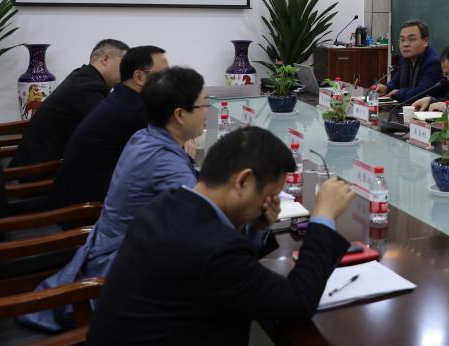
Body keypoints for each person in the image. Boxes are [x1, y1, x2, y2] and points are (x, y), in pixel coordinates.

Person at [86, 128, 354, 345]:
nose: (269, 204)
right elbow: (297, 304)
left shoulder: (165, 204)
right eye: (270, 195)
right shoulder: (215, 250)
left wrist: (255, 226)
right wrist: (323, 217)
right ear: (243, 181)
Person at [20, 66, 206, 332]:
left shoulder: (142, 137)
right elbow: (202, 222)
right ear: (179, 114)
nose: (207, 112)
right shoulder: (164, 160)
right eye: (203, 105)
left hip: (107, 253)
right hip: (119, 276)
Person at [45, 46, 168, 209]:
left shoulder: (122, 97)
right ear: (139, 77)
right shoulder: (134, 110)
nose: (170, 82)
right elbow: (167, 160)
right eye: (164, 74)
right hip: (85, 211)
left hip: (77, 196)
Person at [9, 39, 129, 168]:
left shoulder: (84, 77)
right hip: (38, 171)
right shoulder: (88, 86)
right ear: (105, 59)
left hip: (42, 162)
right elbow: (109, 129)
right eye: (124, 65)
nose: (127, 72)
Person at [376, 19, 447, 102]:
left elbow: (420, 93)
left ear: (425, 41)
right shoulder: (404, 60)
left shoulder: (433, 62)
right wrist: (387, 88)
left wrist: (398, 93)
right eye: (402, 40)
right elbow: (396, 82)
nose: (405, 44)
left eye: (412, 39)